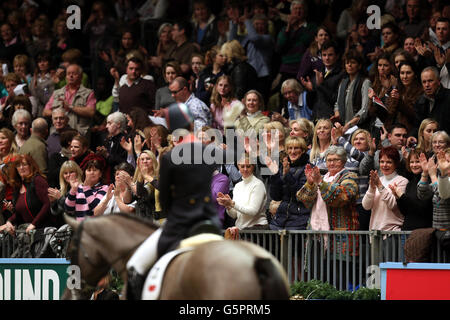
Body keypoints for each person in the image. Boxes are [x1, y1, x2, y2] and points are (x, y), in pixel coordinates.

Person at [126, 102, 222, 300]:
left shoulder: (170, 157)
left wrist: (171, 215)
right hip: (210, 221)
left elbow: (165, 197)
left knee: (135, 265)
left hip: (181, 223)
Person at [297, 145, 359, 260]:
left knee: (338, 273)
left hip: (340, 234)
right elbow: (305, 201)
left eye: (336, 160)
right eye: (329, 160)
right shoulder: (322, 178)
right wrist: (310, 184)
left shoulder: (350, 176)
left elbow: (342, 197)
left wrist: (320, 182)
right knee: (316, 272)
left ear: (344, 161)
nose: (332, 163)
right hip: (316, 233)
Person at [0, 154, 53, 234]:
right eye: (18, 165)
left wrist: (34, 224)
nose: (21, 168)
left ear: (31, 166)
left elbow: (47, 204)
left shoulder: (38, 180)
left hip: (43, 231)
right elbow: (19, 214)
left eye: (24, 164)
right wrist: (9, 221)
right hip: (29, 233)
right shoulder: (18, 186)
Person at [267, 136, 310, 230]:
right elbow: (276, 196)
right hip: (279, 220)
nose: (293, 151)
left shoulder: (308, 168)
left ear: (303, 150)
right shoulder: (284, 166)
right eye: (290, 148)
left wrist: (288, 176)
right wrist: (275, 175)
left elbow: (300, 195)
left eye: (296, 148)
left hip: (299, 221)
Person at [42, 64, 96, 137]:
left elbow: (91, 112)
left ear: (81, 77)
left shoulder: (89, 93)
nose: (71, 76)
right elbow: (45, 112)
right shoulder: (57, 93)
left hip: (78, 135)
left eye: (74, 74)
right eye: (68, 74)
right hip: (58, 134)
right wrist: (59, 114)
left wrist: (71, 107)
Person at [362, 146, 408, 231]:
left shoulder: (402, 181)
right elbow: (366, 206)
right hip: (375, 232)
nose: (384, 165)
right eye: (382, 162)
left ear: (396, 163)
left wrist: (379, 186)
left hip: (392, 232)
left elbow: (393, 205)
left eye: (389, 162)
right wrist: (371, 188)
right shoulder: (378, 179)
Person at [217, 154, 268, 230]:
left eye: (248, 166)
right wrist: (228, 206)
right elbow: (234, 215)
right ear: (238, 166)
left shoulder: (258, 184)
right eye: (242, 166)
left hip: (257, 229)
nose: (245, 169)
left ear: (253, 167)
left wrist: (232, 204)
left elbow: (253, 211)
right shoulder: (237, 186)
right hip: (241, 230)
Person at [389, 149, 432, 230]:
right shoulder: (410, 183)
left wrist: (402, 195)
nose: (414, 165)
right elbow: (405, 212)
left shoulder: (429, 181)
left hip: (423, 232)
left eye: (417, 161)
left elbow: (422, 209)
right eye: (412, 162)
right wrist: (398, 198)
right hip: (407, 230)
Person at [300, 40, 344, 121]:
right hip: (316, 118)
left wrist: (321, 85)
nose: (327, 58)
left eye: (330, 55)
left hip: (331, 119)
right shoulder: (318, 72)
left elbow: (336, 100)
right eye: (324, 55)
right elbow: (310, 104)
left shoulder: (342, 75)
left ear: (337, 56)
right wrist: (311, 90)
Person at [333, 49, 371, 132]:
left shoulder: (365, 82)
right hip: (343, 127)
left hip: (359, 129)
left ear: (359, 65)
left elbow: (365, 109)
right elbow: (337, 104)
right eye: (347, 63)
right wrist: (337, 113)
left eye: (353, 62)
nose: (349, 65)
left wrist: (350, 124)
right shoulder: (343, 83)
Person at [64, 154, 109, 221]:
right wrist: (73, 190)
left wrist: (86, 188)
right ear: (84, 173)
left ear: (100, 174)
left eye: (95, 170)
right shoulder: (78, 187)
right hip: (79, 226)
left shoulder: (104, 188)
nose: (91, 173)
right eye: (89, 170)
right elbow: (69, 209)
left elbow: (95, 208)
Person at [386, 60, 422, 134]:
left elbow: (415, 116)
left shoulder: (420, 92)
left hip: (410, 133)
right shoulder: (397, 89)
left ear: (415, 74)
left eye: (408, 73)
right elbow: (389, 114)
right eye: (402, 73)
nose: (405, 76)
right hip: (392, 132)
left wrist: (400, 101)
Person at [417, 150, 450, 229]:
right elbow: (422, 194)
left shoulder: (440, 179)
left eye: (448, 161)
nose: (445, 164)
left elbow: (443, 195)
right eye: (443, 160)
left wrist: (433, 176)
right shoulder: (440, 180)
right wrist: (425, 172)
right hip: (438, 231)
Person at [414, 67, 450, 134]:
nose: (427, 85)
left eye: (430, 81)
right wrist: (412, 136)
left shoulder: (448, 98)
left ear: (439, 81)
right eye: (424, 82)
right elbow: (417, 126)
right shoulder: (420, 102)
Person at [48, 160, 83, 227]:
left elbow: (72, 212)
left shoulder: (82, 188)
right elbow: (56, 213)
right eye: (65, 173)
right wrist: (53, 202)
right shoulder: (63, 190)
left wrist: (60, 198)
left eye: (71, 172)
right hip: (64, 229)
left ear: (77, 173)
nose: (68, 175)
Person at [131, 150, 161, 221]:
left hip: (155, 216)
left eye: (148, 159)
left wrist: (145, 175)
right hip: (140, 217)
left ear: (153, 160)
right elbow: (130, 199)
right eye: (142, 159)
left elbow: (142, 194)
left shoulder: (158, 178)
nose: (145, 161)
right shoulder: (136, 178)